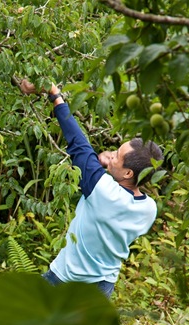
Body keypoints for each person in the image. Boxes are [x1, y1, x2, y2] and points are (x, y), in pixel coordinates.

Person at [20, 80, 163, 298]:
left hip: (66, 279)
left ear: (128, 174)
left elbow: (79, 144)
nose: (111, 155)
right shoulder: (149, 208)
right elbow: (116, 193)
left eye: (117, 156)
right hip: (103, 286)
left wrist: (54, 94)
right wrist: (107, 168)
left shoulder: (103, 192)